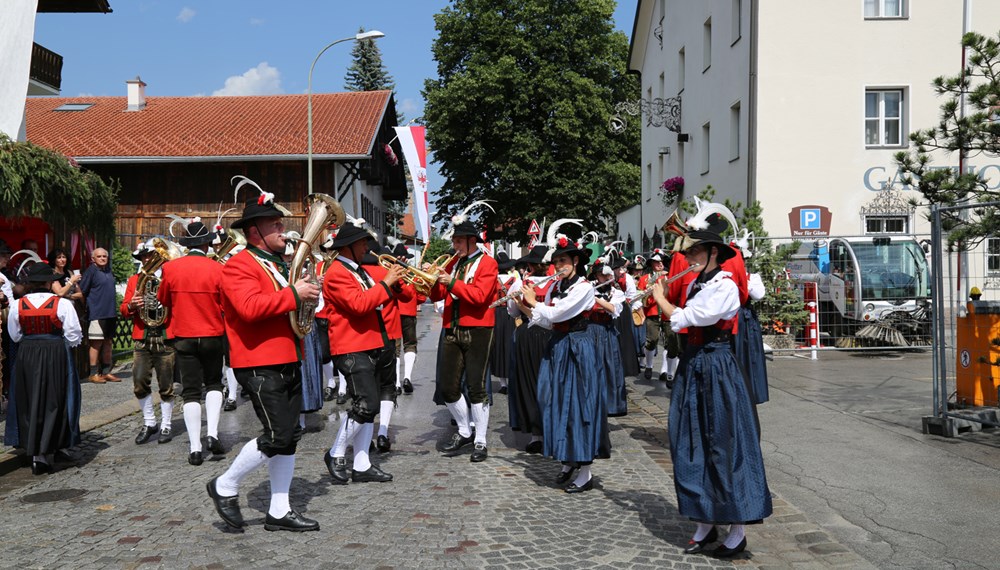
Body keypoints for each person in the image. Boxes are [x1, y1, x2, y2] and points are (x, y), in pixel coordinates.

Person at [650, 206, 772, 558]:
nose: (689, 257)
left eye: (696, 251)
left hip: (717, 368)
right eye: (688, 252)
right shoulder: (697, 282)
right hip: (694, 366)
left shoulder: (725, 286)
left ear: (714, 253)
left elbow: (689, 318)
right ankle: (704, 520)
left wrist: (660, 299)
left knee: (723, 445)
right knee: (690, 441)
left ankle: (736, 530)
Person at [207, 185, 321, 532]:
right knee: (277, 434)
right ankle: (224, 484)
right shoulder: (238, 265)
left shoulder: (276, 264)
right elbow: (249, 308)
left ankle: (279, 510)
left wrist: (309, 295)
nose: (282, 230)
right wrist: (293, 293)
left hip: (286, 355)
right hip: (258, 361)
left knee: (290, 436)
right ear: (254, 230)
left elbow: (288, 304)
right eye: (274, 225)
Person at [518, 232, 607, 493]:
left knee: (579, 406)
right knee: (554, 402)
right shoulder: (557, 287)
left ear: (576, 261)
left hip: (578, 348)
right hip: (557, 347)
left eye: (563, 260)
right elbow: (548, 321)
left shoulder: (584, 288)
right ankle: (568, 459)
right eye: (556, 261)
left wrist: (536, 302)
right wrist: (526, 306)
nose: (558, 266)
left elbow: (559, 312)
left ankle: (586, 471)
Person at [322, 219, 405, 484]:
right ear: (349, 246)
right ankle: (336, 452)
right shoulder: (337, 272)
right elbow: (359, 305)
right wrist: (386, 283)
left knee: (369, 407)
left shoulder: (358, 270)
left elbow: (380, 301)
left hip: (369, 343)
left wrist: (395, 283)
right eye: (362, 242)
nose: (366, 247)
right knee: (366, 404)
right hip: (351, 346)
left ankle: (362, 464)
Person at [429, 206, 499, 463]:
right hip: (452, 327)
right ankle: (464, 429)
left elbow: (480, 297)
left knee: (477, 386)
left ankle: (480, 440)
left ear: (472, 241)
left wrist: (452, 282)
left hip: (479, 328)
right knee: (447, 387)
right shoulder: (454, 263)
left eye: (459, 241)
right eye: (454, 240)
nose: (455, 245)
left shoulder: (488, 263)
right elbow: (435, 296)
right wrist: (433, 279)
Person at [157, 218, 226, 466]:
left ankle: (195, 448)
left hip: (184, 336)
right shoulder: (218, 269)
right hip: (212, 334)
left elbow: (163, 300)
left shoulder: (171, 268)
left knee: (191, 392)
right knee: (214, 383)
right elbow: (226, 304)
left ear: (187, 245)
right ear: (207, 245)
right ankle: (213, 434)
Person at [4, 262, 83, 474]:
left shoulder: (17, 305)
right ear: (49, 282)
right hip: (55, 352)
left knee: (30, 399)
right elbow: (74, 334)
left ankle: (36, 454)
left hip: (27, 354)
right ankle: (51, 449)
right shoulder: (62, 304)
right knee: (55, 399)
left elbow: (15, 335)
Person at [120, 240, 176, 445]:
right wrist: (133, 304)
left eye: (149, 255)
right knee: (139, 382)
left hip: (165, 336)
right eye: (143, 257)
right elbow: (124, 310)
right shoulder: (135, 280)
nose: (146, 259)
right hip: (142, 338)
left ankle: (167, 424)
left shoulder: (170, 278)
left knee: (166, 384)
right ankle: (150, 421)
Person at [506, 244, 555, 453]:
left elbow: (512, 312)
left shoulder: (519, 283)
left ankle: (536, 435)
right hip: (551, 334)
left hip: (528, 333)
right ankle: (552, 431)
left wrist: (519, 302)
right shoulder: (556, 283)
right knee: (550, 384)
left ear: (531, 266)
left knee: (529, 383)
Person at [80, 247, 119, 383]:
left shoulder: (108, 270)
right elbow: (82, 290)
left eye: (104, 256)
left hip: (110, 313)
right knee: (96, 343)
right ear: (93, 259)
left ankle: (106, 372)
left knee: (108, 343)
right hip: (97, 313)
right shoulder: (91, 271)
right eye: (99, 256)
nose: (102, 258)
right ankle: (93, 373)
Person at [392, 243, 424, 395]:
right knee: (410, 345)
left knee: (396, 349)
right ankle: (407, 377)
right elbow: (422, 297)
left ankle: (396, 383)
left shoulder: (389, 272)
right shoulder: (413, 274)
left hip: (394, 313)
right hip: (409, 312)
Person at [490, 250, 518, 396]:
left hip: (495, 313)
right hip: (509, 313)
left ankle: (502, 383)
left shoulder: (492, 279)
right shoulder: (514, 280)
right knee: (509, 345)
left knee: (498, 345)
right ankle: (511, 378)